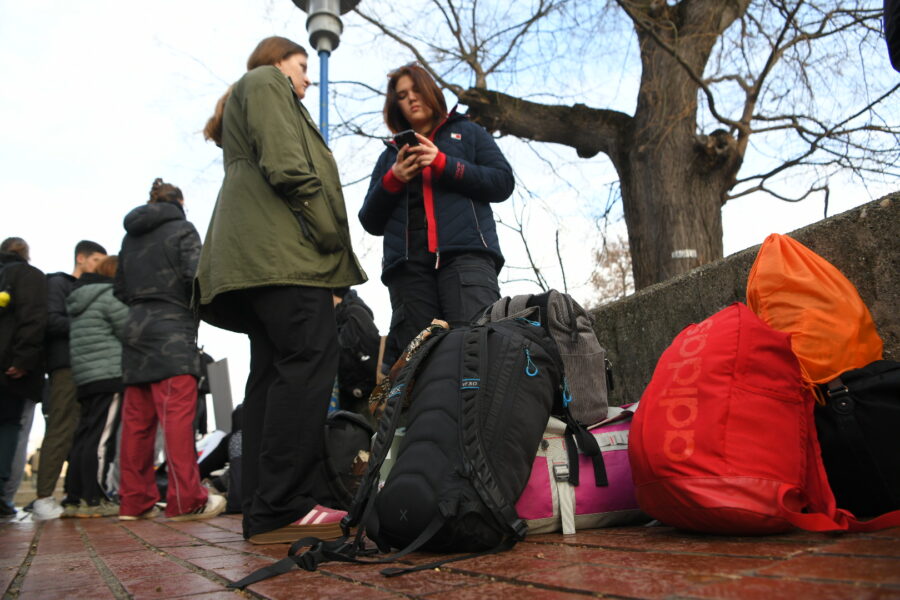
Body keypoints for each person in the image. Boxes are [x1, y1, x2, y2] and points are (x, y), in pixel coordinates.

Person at [196, 36, 366, 544]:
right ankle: (288, 504)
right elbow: (289, 165)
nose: (307, 78)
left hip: (257, 259)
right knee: (311, 357)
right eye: (301, 65)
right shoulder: (266, 81)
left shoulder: (244, 98)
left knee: (273, 373)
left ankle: (267, 508)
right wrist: (327, 234)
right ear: (278, 62)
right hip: (283, 257)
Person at [359, 63, 514, 368]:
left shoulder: (467, 132)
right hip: (408, 272)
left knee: (478, 353)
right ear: (396, 105)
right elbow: (369, 220)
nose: (411, 99)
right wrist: (395, 178)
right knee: (419, 367)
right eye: (402, 95)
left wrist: (442, 163)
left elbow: (502, 182)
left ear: (430, 90)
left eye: (416, 89)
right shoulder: (390, 156)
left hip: (466, 260)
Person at [115, 178, 224, 521]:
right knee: (177, 418)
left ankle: (133, 503)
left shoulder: (129, 235)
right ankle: (186, 500)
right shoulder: (182, 228)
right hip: (172, 330)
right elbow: (197, 275)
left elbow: (120, 288)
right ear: (180, 201)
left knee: (136, 422)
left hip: (135, 329)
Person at [32, 240, 107, 520]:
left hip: (90, 368)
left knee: (83, 433)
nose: (100, 265)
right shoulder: (59, 284)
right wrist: (90, 324)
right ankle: (42, 497)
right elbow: (51, 322)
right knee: (61, 428)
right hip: (66, 366)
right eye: (97, 259)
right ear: (81, 258)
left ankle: (75, 495)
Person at [65, 255, 127, 517]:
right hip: (108, 375)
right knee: (102, 438)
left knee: (84, 436)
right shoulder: (110, 295)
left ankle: (73, 498)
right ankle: (96, 497)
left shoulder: (80, 299)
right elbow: (129, 329)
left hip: (85, 377)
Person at [0, 238, 47, 517]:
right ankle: (2, 494)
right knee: (10, 428)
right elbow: (33, 318)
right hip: (9, 368)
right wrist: (23, 360)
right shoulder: (28, 276)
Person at [333, 287, 382, 418]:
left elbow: (368, 355)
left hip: (362, 396)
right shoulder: (344, 315)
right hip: (356, 394)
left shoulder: (352, 314)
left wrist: (358, 389)